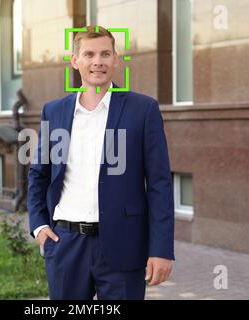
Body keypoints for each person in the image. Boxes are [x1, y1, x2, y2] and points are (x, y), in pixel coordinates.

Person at [27, 25, 174, 300]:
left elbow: (159, 184)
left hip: (124, 245)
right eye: (89, 54)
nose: (98, 62)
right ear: (75, 60)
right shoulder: (54, 111)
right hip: (65, 245)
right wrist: (39, 226)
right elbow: (39, 174)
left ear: (116, 59)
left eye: (106, 54)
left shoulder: (143, 110)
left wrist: (161, 249)